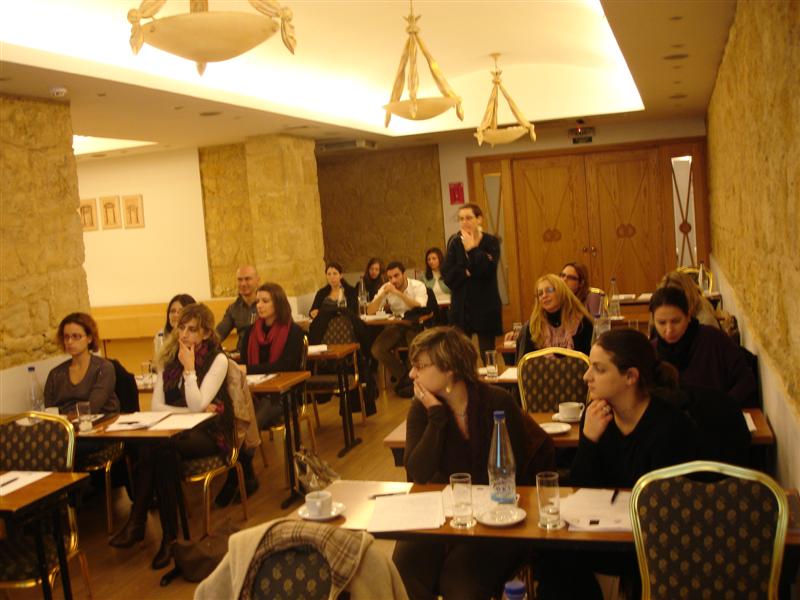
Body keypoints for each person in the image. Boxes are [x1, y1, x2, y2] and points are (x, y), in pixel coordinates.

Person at [393, 327, 555, 600]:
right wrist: (436, 417)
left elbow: (513, 475)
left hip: (496, 516)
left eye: (419, 366)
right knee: (405, 567)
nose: (411, 374)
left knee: (459, 581)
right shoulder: (422, 408)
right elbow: (418, 473)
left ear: (449, 369)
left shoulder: (497, 403)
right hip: (443, 515)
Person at [537, 328, 699, 599]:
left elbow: (666, 508)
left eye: (599, 369)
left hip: (655, 541)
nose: (586, 376)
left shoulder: (669, 427)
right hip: (607, 532)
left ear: (630, 377)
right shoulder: (598, 416)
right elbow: (581, 488)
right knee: (549, 552)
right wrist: (589, 440)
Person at [110, 303, 235, 570]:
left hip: (210, 432)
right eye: (181, 328)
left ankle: (141, 522)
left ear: (205, 333)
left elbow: (198, 404)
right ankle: (167, 537)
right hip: (175, 430)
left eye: (192, 330)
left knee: (158, 449)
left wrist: (189, 369)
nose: (185, 335)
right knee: (160, 451)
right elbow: (158, 407)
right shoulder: (169, 358)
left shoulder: (218, 360)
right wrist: (189, 409)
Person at [216, 283, 305, 507]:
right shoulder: (251, 332)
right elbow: (245, 363)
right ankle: (244, 474)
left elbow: (285, 365)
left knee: (251, 419)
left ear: (278, 303)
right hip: (253, 393)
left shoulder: (293, 332)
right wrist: (248, 371)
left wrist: (250, 370)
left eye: (265, 301)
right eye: (258, 301)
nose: (260, 305)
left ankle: (237, 476)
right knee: (235, 416)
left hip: (282, 395)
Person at [649, 286, 756, 407]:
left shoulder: (713, 339)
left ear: (688, 316)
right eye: (661, 323)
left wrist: (724, 407)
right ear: (653, 320)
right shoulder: (650, 351)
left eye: (676, 321)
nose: (669, 330)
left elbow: (746, 380)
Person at [442, 203, 503, 358]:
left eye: (469, 218)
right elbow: (447, 276)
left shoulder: (491, 242)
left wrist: (472, 249)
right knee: (461, 355)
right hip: (462, 307)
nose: (464, 222)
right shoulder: (455, 242)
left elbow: (488, 271)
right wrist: (466, 271)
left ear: (479, 219)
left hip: (485, 305)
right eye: (461, 219)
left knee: (487, 354)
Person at [368, 261, 429, 397]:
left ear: (404, 274)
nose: (393, 280)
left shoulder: (417, 286)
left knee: (414, 350)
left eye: (396, 276)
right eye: (390, 277)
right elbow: (370, 311)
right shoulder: (386, 287)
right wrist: (383, 295)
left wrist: (398, 293)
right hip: (396, 324)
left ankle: (418, 379)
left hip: (415, 323)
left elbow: (419, 307)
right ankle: (404, 375)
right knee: (376, 349)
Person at [44, 312, 119, 415]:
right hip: (66, 423)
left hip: (102, 421)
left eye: (76, 336)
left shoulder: (103, 368)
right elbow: (49, 411)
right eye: (66, 337)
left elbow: (92, 407)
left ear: (89, 338)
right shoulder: (55, 374)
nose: (70, 342)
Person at [511, 274, 594, 364]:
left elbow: (589, 361)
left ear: (561, 292)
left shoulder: (582, 322)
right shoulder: (532, 326)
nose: (544, 296)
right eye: (540, 293)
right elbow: (524, 365)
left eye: (549, 290)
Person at [216, 265, 260, 356]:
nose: (243, 284)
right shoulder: (233, 308)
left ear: (257, 280)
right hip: (241, 355)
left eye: (247, 279)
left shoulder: (267, 304)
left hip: (263, 354)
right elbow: (219, 334)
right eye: (240, 280)